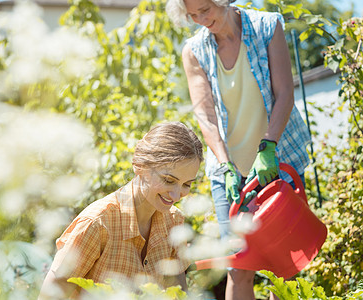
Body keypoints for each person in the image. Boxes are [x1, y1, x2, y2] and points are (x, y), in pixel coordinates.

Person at [166, 0, 311, 299]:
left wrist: (268, 146)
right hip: (230, 173)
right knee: (239, 267)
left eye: (205, 9)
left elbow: (285, 92)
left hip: (276, 159)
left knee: (286, 263)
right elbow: (205, 115)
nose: (201, 19)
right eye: (193, 15)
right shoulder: (194, 51)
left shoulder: (267, 27)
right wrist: (225, 165)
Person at [38, 121, 203, 299]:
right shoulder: (97, 223)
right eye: (169, 180)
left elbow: (177, 294)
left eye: (186, 184)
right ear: (140, 166)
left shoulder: (174, 222)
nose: (177, 194)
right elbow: (50, 295)